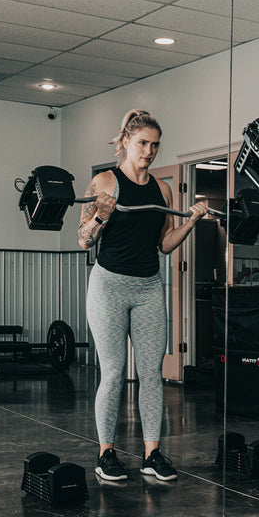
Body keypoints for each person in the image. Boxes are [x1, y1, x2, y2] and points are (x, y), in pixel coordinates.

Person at [76, 109, 208, 482]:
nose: (149, 151)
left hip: (149, 286)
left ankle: (152, 454)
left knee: (152, 374)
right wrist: (100, 216)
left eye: (154, 145)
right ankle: (106, 454)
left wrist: (191, 221)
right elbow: (82, 239)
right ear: (125, 142)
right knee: (115, 372)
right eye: (142, 143)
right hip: (109, 286)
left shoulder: (162, 189)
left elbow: (165, 245)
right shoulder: (103, 182)